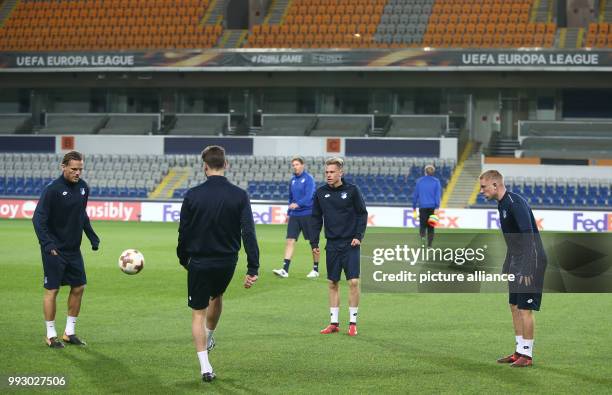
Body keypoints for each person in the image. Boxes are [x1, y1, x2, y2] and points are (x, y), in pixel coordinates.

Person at [177, 145, 260, 383]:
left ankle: (205, 366)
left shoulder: (192, 194)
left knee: (197, 314)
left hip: (199, 261)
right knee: (217, 295)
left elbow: (184, 231)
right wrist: (252, 267)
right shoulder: (239, 194)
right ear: (226, 165)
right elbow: (248, 232)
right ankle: (210, 336)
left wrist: (184, 259)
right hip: (227, 262)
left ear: (204, 167)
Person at [479, 170, 547, 368]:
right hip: (517, 260)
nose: (481, 191)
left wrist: (527, 268)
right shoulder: (503, 204)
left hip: (532, 261)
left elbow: (529, 237)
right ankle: (519, 350)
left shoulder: (515, 203)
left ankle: (527, 355)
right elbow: (514, 239)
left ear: (495, 185)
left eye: (483, 187)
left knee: (525, 308)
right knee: (514, 306)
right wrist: (508, 264)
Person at [32, 150, 99, 348]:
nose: (77, 173)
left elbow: (81, 215)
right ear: (63, 167)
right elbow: (38, 219)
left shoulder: (83, 188)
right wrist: (48, 244)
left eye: (80, 169)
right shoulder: (52, 189)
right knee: (52, 290)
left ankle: (69, 332)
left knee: (79, 287)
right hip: (54, 250)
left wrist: (92, 236)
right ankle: (50, 334)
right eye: (73, 169)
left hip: (73, 250)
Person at [310, 157, 368, 337]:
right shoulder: (320, 193)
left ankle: (352, 322)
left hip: (350, 243)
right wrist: (314, 242)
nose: (328, 175)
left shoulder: (352, 190)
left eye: (332, 172)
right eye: (327, 172)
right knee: (332, 283)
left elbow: (362, 214)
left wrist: (358, 236)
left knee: (353, 282)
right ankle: (334, 323)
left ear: (340, 173)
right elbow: (316, 218)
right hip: (332, 244)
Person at [272, 156, 320, 278]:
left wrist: (298, 204)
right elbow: (290, 198)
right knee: (290, 240)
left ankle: (315, 269)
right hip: (295, 215)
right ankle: (285, 270)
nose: (295, 167)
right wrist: (289, 213)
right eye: (293, 165)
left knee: (313, 243)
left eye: (297, 164)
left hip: (308, 214)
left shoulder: (309, 179)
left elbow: (309, 196)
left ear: (302, 165)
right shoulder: (292, 180)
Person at [412, 164, 441, 247]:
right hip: (432, 207)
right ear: (433, 172)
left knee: (422, 226)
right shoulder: (436, 181)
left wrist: (414, 207)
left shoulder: (419, 181)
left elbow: (415, 195)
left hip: (423, 207)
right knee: (431, 227)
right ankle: (429, 245)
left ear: (425, 172)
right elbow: (437, 195)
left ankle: (422, 240)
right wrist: (437, 207)